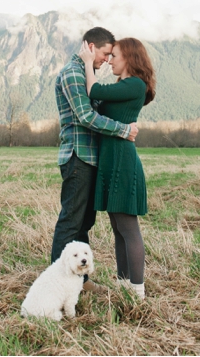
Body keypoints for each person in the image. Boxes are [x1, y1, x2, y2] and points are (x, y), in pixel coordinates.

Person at [51, 27, 138, 292]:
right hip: (78, 156)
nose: (106, 60)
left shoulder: (83, 72)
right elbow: (86, 117)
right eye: (104, 53)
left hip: (89, 158)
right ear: (90, 47)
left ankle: (80, 283)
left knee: (83, 223)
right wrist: (124, 130)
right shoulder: (72, 73)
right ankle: (58, 283)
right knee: (70, 222)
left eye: (111, 55)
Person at [79, 37, 156, 300]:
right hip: (111, 159)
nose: (110, 60)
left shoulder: (135, 84)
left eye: (115, 56)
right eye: (109, 56)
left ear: (130, 59)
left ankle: (137, 291)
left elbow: (94, 92)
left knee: (128, 228)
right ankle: (125, 285)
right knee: (118, 228)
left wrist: (89, 63)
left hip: (122, 161)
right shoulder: (123, 85)